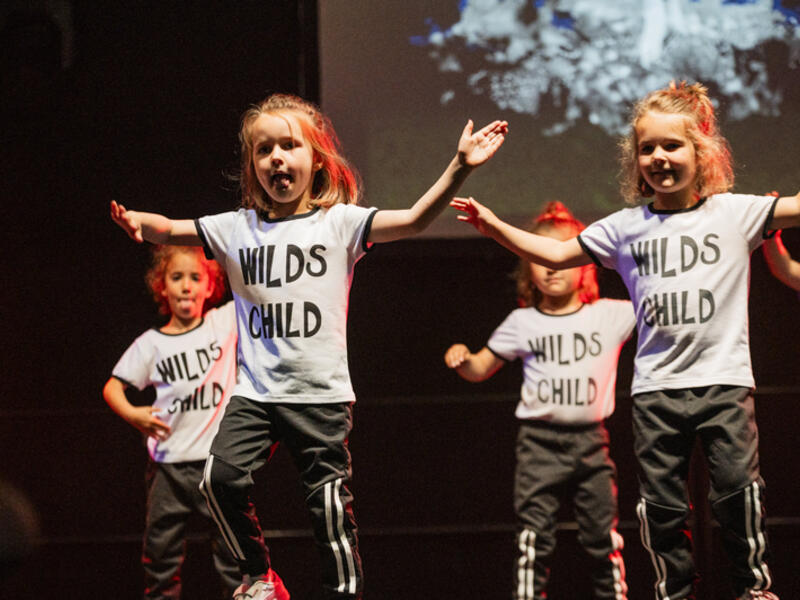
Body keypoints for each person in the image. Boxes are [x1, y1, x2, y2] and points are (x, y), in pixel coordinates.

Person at [110, 93, 507, 600]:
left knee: (328, 510)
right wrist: (141, 225)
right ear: (252, 167)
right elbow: (171, 228)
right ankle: (259, 576)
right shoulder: (237, 228)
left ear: (316, 159)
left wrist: (459, 166)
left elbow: (411, 220)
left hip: (319, 398)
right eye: (264, 150)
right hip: (256, 396)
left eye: (289, 146)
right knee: (218, 480)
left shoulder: (338, 223)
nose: (277, 157)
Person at [450, 81, 800, 600]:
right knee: (661, 507)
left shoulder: (733, 214)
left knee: (736, 492)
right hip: (657, 393)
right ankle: (673, 592)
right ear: (635, 160)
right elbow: (556, 254)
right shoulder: (625, 228)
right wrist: (495, 225)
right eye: (647, 148)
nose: (658, 157)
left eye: (672, 145)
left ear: (700, 153)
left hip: (723, 385)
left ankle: (753, 588)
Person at [444, 201, 635, 600]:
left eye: (561, 256)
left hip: (591, 443)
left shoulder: (612, 315)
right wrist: (463, 359)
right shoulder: (522, 322)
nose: (551, 267)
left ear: (585, 263)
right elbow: (480, 368)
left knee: (603, 536)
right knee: (534, 537)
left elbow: (656, 302)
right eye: (540, 257)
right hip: (538, 445)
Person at [103, 245, 240, 600]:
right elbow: (112, 388)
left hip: (215, 465)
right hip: (168, 467)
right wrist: (133, 414)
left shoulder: (223, 323)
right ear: (161, 286)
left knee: (234, 551)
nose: (186, 286)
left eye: (195, 277)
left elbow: (250, 284)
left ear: (210, 286)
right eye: (176, 277)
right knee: (161, 552)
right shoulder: (151, 344)